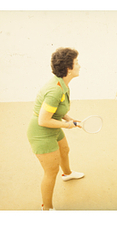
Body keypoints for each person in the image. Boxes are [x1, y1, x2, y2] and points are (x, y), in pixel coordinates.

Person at [27, 47, 84, 210]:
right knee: (51, 172)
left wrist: (70, 119)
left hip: (53, 126)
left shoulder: (63, 84)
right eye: (77, 63)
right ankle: (47, 208)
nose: (79, 66)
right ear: (69, 68)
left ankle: (67, 174)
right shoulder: (54, 90)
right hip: (41, 133)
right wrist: (67, 125)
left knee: (64, 150)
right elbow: (43, 120)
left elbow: (58, 110)